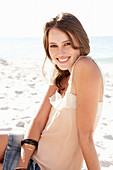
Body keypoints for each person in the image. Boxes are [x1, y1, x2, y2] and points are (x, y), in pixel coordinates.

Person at [0, 12, 104, 170]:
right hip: (30, 150)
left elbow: (86, 136)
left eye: (67, 44)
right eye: (53, 46)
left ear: (79, 41)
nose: (60, 52)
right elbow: (38, 122)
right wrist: (22, 165)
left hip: (45, 166)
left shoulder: (85, 66)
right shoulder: (59, 75)